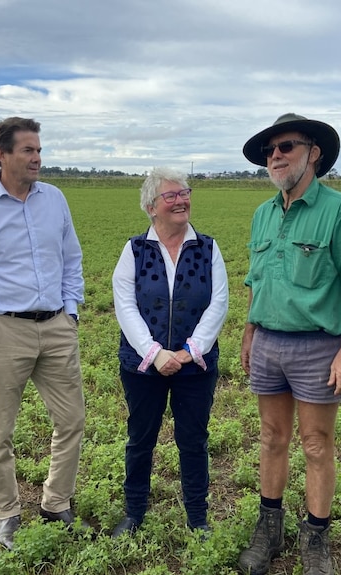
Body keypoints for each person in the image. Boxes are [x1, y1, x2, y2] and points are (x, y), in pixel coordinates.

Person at [237, 113, 341, 575]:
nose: (275, 157)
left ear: (313, 153)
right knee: (272, 437)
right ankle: (269, 528)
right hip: (268, 344)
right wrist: (250, 331)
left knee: (317, 444)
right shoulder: (261, 213)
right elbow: (257, 280)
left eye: (286, 147)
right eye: (269, 151)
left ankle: (316, 537)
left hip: (319, 346)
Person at [0, 116, 88, 550]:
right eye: (28, 150)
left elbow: (72, 258)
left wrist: (72, 313)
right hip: (2, 330)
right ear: (2, 155)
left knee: (72, 420)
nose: (37, 158)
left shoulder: (55, 199)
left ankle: (56, 501)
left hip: (56, 327)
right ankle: (7, 513)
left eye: (39, 150)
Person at [110, 167, 229, 538]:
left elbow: (219, 302)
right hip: (142, 367)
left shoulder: (208, 247)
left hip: (195, 366)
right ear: (150, 206)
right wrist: (155, 353)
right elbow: (125, 305)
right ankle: (134, 513)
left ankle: (198, 518)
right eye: (171, 196)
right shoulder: (134, 250)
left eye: (185, 193)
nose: (181, 201)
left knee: (193, 441)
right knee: (140, 438)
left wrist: (191, 351)